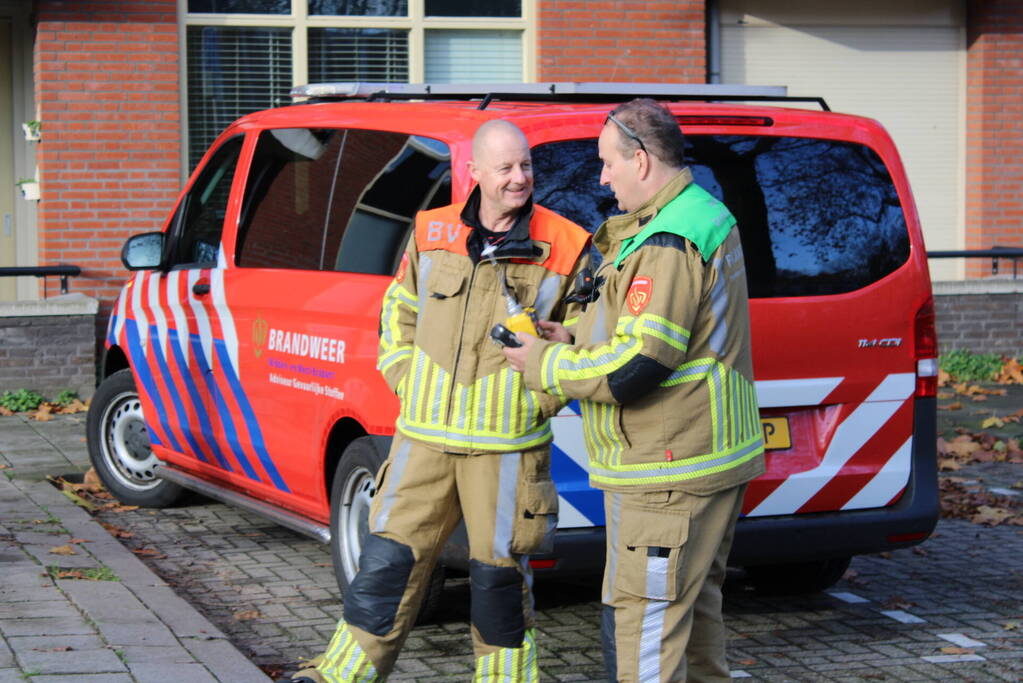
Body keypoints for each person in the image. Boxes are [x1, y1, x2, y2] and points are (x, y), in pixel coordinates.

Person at [288, 119, 591, 683]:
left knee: (499, 579)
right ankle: (339, 677)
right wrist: (408, 379)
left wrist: (538, 400)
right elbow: (397, 313)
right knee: (385, 566)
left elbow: (583, 339)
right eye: (505, 168)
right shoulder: (430, 230)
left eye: (525, 165)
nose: (519, 178)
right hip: (422, 438)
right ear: (473, 173)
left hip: (507, 447)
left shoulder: (568, 244)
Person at [503, 99, 765, 682]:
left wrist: (546, 363)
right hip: (704, 460)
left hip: (666, 470)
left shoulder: (666, 241)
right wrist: (572, 334)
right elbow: (660, 330)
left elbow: (637, 366)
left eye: (607, 162)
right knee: (692, 620)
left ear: (641, 161)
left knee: (647, 629)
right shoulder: (700, 215)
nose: (601, 176)